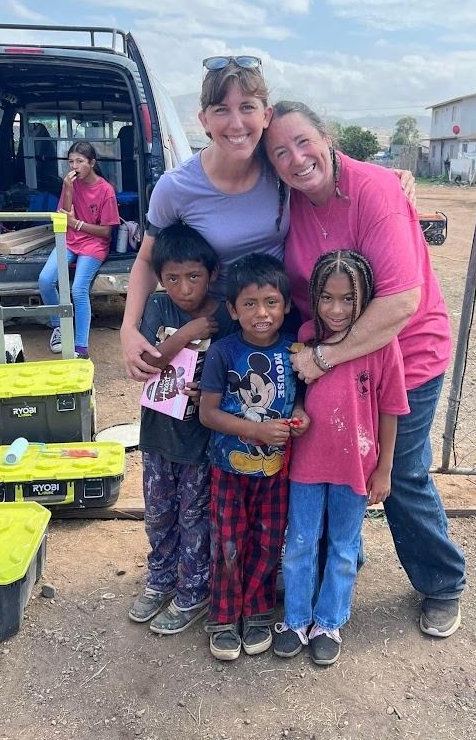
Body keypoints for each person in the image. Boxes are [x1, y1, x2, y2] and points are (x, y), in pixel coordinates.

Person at [262, 101, 467, 638]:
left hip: (403, 353)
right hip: (328, 355)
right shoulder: (291, 201)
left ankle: (442, 582)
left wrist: (324, 358)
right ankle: (337, 560)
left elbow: (401, 300)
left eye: (303, 142)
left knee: (398, 473)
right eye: (279, 152)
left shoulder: (374, 190)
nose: (296, 159)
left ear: (328, 137)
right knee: (328, 462)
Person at [119, 55, 413, 381]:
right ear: (203, 119)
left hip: (283, 317)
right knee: (216, 419)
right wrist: (129, 328)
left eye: (247, 107)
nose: (236, 123)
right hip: (220, 322)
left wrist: (390, 177)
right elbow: (147, 260)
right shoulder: (176, 188)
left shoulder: (280, 167)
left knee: (281, 420)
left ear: (265, 114)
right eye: (221, 110)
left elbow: (320, 157)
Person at [274, 250, 408, 666]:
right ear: (314, 296)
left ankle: (329, 620)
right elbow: (295, 392)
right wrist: (296, 411)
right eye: (327, 298)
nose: (337, 309)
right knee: (299, 542)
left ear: (366, 297)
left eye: (348, 299)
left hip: (356, 466)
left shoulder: (381, 344)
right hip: (307, 464)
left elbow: (391, 409)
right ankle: (296, 619)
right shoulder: (307, 335)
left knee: (344, 546)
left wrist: (384, 469)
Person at [199, 254, 309, 661]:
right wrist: (257, 430)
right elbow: (208, 413)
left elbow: (299, 400)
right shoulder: (223, 352)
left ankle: (259, 610)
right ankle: (225, 616)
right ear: (232, 309)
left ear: (285, 305)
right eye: (249, 304)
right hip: (228, 469)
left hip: (276, 471)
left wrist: (298, 416)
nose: (261, 313)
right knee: (228, 541)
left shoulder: (294, 351)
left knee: (267, 542)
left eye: (271, 302)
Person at [128, 221, 236, 634]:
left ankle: (193, 590)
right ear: (159, 278)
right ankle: (160, 580)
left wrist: (208, 393)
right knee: (158, 514)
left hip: (200, 440)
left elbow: (233, 376)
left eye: (193, 276)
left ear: (211, 274)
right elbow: (148, 362)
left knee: (195, 516)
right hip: (157, 436)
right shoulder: (156, 308)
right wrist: (187, 335)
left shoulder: (226, 315)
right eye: (172, 278)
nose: (184, 288)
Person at [39, 141, 120, 358]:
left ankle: (81, 346)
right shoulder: (71, 184)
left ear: (92, 163)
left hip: (94, 243)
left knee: (78, 289)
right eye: (71, 162)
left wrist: (77, 224)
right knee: (45, 280)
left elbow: (106, 233)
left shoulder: (106, 190)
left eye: (80, 161)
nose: (74, 166)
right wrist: (67, 188)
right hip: (70, 239)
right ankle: (59, 326)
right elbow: (64, 216)